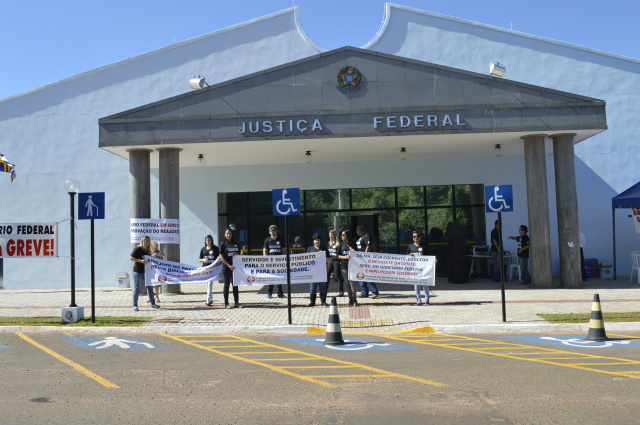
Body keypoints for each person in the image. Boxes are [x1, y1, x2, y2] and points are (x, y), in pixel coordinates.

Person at [129, 235, 160, 312]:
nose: (148, 243)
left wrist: (153, 256)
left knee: (150, 287)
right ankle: (135, 305)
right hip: (138, 272)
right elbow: (131, 257)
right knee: (137, 288)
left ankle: (153, 303)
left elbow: (148, 259)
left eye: (149, 241)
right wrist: (140, 261)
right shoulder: (138, 249)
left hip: (146, 272)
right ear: (143, 241)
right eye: (146, 241)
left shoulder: (147, 250)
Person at [355, 224, 379, 298]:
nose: (356, 231)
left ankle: (374, 291)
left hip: (365, 259)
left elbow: (368, 246)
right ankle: (364, 292)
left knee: (368, 275)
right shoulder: (360, 238)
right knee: (360, 275)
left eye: (357, 230)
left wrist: (364, 257)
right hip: (360, 259)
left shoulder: (367, 235)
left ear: (361, 230)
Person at [407, 231, 431, 305]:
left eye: (417, 236)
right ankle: (418, 300)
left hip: (424, 268)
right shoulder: (410, 246)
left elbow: (429, 256)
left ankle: (427, 300)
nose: (415, 238)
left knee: (425, 284)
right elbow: (406, 257)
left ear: (420, 237)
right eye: (414, 237)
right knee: (416, 284)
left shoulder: (424, 246)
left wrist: (434, 261)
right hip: (415, 268)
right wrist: (409, 255)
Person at [219, 229, 241, 308]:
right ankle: (226, 304)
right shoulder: (223, 244)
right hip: (226, 267)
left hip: (235, 268)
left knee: (235, 285)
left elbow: (239, 254)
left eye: (230, 233)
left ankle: (237, 303)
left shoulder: (235, 243)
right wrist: (228, 265)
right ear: (224, 234)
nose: (228, 235)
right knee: (226, 285)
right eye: (227, 233)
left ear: (232, 235)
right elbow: (221, 256)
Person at [307, 233, 331, 306]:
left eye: (318, 240)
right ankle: (312, 301)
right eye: (315, 240)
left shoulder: (324, 249)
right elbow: (306, 259)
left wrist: (327, 259)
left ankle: (323, 301)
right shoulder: (310, 249)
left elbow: (329, 258)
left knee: (323, 286)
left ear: (320, 241)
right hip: (313, 271)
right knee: (313, 286)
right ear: (313, 241)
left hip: (322, 271)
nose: (317, 241)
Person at [337, 229, 359, 306]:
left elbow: (358, 254)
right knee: (347, 283)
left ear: (347, 235)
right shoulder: (341, 245)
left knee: (353, 283)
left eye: (343, 235)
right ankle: (350, 300)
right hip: (344, 266)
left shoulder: (353, 243)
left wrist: (354, 251)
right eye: (341, 235)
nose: (341, 236)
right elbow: (337, 256)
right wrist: (345, 257)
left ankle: (354, 299)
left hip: (352, 266)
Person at [263, 224, 285, 298]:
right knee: (271, 278)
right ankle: (269, 292)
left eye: (273, 230)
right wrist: (266, 260)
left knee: (279, 278)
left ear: (276, 231)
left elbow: (284, 249)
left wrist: (283, 257)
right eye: (271, 230)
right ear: (269, 232)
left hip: (279, 262)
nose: (272, 231)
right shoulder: (267, 240)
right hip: (271, 262)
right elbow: (265, 250)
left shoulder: (280, 239)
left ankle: (280, 293)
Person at [199, 234, 220, 306]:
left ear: (211, 241)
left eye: (209, 240)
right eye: (207, 240)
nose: (208, 241)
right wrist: (203, 260)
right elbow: (199, 259)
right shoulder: (203, 249)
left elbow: (219, 257)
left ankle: (208, 299)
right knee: (207, 284)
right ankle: (210, 298)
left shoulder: (216, 248)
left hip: (213, 268)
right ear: (205, 241)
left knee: (210, 283)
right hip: (205, 268)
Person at [326, 229, 344, 297]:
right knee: (327, 275)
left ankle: (341, 291)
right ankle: (325, 290)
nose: (330, 236)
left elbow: (340, 253)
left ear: (334, 235)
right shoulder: (329, 243)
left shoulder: (338, 243)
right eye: (329, 235)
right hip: (330, 260)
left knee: (338, 275)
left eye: (331, 235)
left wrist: (340, 261)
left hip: (336, 260)